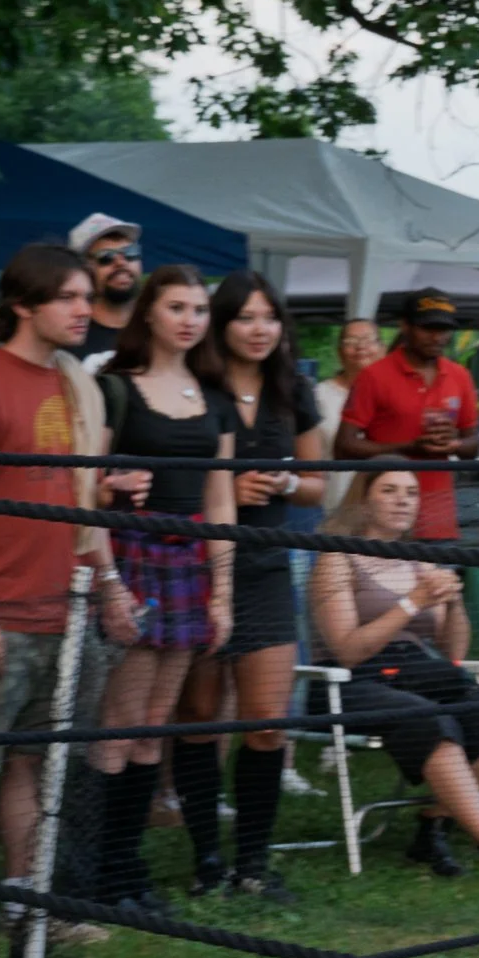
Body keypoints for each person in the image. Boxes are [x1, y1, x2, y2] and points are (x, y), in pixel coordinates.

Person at [0, 246, 136, 925]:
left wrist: (108, 584)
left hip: (64, 613)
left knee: (32, 767)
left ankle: (25, 909)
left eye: (88, 295)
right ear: (24, 305)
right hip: (0, 612)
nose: (86, 309)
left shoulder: (80, 384)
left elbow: (80, 505)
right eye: (70, 297)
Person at [310, 471, 479, 884]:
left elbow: (454, 653)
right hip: (353, 683)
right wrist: (413, 600)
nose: (403, 500)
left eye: (412, 493)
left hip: (420, 673)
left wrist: (453, 603)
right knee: (430, 720)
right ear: (363, 500)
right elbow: (347, 650)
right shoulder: (336, 558)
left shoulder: (420, 559)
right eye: (389, 490)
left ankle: (433, 825)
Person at [89, 265, 238, 912]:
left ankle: (129, 871)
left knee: (154, 728)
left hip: (190, 564)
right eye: (176, 306)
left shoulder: (216, 395)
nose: (189, 319)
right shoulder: (112, 389)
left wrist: (223, 590)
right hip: (129, 554)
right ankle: (95, 872)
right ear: (148, 312)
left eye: (199, 309)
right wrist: (108, 581)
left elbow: (222, 500)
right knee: (117, 726)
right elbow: (83, 489)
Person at [176, 272, 324, 901]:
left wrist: (286, 484)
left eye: (270, 318)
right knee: (200, 719)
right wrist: (224, 494)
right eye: (245, 318)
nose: (260, 329)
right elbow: (172, 484)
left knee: (267, 724)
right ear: (222, 323)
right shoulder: (194, 387)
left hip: (267, 568)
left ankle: (254, 865)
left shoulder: (295, 390)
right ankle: (207, 858)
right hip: (199, 564)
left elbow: (321, 483)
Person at [334, 289, 479, 539]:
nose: (436, 337)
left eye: (443, 329)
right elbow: (343, 448)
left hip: (437, 518)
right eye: (427, 328)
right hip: (381, 521)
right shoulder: (374, 376)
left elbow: (474, 445)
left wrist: (453, 443)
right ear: (405, 326)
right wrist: (409, 447)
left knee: (440, 578)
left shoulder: (460, 376)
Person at [313, 318, 385, 515]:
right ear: (339, 352)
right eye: (351, 341)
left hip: (389, 510)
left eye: (368, 340)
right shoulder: (319, 396)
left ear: (382, 348)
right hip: (335, 507)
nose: (361, 347)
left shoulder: (398, 394)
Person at [66, 212, 143, 360]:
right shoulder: (68, 335)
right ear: (83, 269)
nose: (121, 262)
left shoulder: (161, 328)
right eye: (106, 257)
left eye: (130, 252)